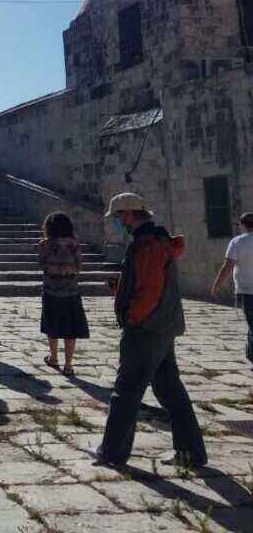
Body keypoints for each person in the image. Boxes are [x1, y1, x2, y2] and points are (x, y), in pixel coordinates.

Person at [97, 193, 206, 469]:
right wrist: (122, 289)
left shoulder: (147, 246)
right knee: (170, 390)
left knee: (126, 391)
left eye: (119, 217)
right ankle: (190, 452)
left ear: (130, 215)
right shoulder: (155, 242)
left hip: (145, 329)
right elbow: (146, 282)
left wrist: (133, 318)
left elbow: (149, 291)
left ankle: (111, 453)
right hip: (161, 327)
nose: (117, 223)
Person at [38, 212, 90, 375]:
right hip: (71, 290)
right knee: (71, 328)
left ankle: (53, 357)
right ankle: (68, 365)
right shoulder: (75, 245)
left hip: (51, 289)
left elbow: (41, 264)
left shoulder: (44, 245)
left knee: (52, 325)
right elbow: (79, 265)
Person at [212, 211, 253, 365]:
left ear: (243, 225)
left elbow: (228, 266)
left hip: (247, 291)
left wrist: (217, 284)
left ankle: (252, 355)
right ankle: (250, 354)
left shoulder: (237, 242)